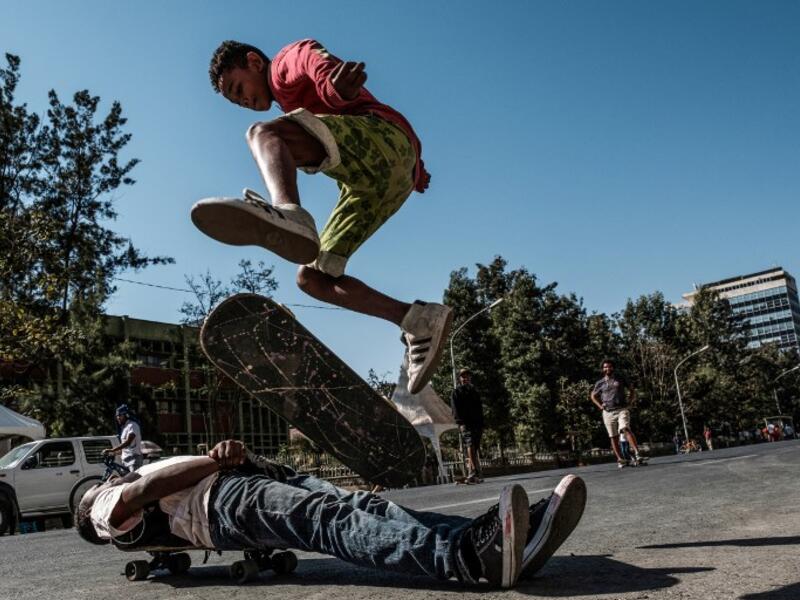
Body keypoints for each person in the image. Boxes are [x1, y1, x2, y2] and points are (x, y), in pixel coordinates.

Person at [194, 39, 451, 394]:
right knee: (312, 278)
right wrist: (415, 171)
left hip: (384, 142)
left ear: (254, 62)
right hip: (379, 183)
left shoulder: (283, 64)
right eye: (237, 102)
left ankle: (289, 211)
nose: (245, 103)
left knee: (262, 133)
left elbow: (312, 59)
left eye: (239, 90)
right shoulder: (287, 100)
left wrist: (333, 87)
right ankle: (417, 320)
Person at [75, 440, 587, 588]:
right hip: (222, 504)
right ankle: (471, 559)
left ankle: (505, 538)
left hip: (248, 479)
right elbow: (140, 494)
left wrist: (233, 456)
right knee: (332, 522)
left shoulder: (130, 474)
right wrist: (214, 461)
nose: (107, 480)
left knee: (365, 506)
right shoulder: (99, 506)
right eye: (101, 483)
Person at [590, 359, 647, 468]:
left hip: (621, 409)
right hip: (608, 412)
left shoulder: (620, 378)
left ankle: (637, 454)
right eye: (605, 367)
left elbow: (632, 390)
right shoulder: (600, 383)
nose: (607, 369)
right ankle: (620, 459)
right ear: (602, 369)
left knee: (625, 428)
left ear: (613, 368)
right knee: (613, 436)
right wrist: (600, 406)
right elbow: (593, 396)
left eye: (609, 366)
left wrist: (630, 402)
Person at [451, 368, 485, 483]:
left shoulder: (474, 391)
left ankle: (472, 473)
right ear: (460, 379)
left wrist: (482, 423)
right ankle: (474, 470)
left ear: (470, 378)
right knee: (470, 444)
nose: (465, 378)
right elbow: (455, 409)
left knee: (475, 446)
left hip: (477, 423)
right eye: (463, 377)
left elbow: (480, 408)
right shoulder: (456, 392)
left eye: (467, 376)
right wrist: (460, 423)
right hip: (466, 423)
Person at [102, 404, 144, 471]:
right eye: (117, 416)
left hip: (133, 460)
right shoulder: (124, 428)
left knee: (133, 478)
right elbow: (125, 448)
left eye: (120, 415)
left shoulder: (132, 425)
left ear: (126, 415)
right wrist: (113, 453)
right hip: (124, 461)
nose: (118, 418)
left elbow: (128, 442)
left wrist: (112, 450)